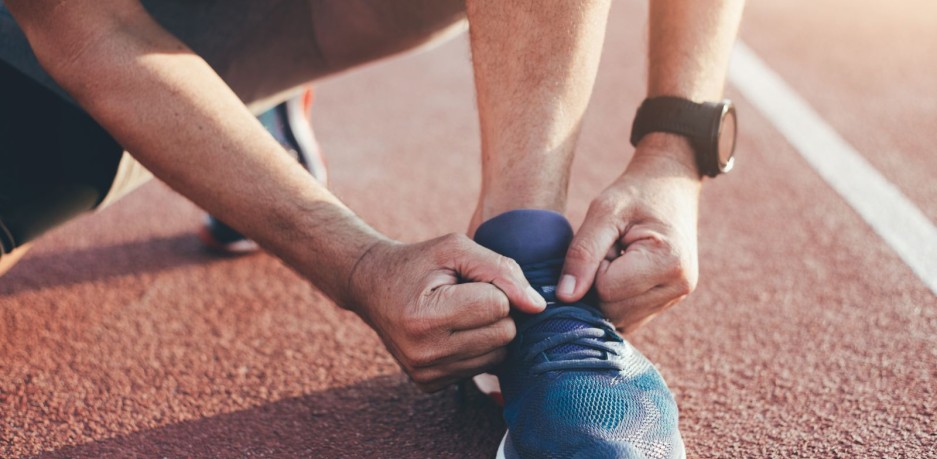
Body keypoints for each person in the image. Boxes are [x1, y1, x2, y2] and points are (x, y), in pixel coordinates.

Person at [0, 1, 745, 457]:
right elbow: (82, 29)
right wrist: (355, 264)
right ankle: (242, 132)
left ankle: (531, 268)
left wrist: (675, 151)